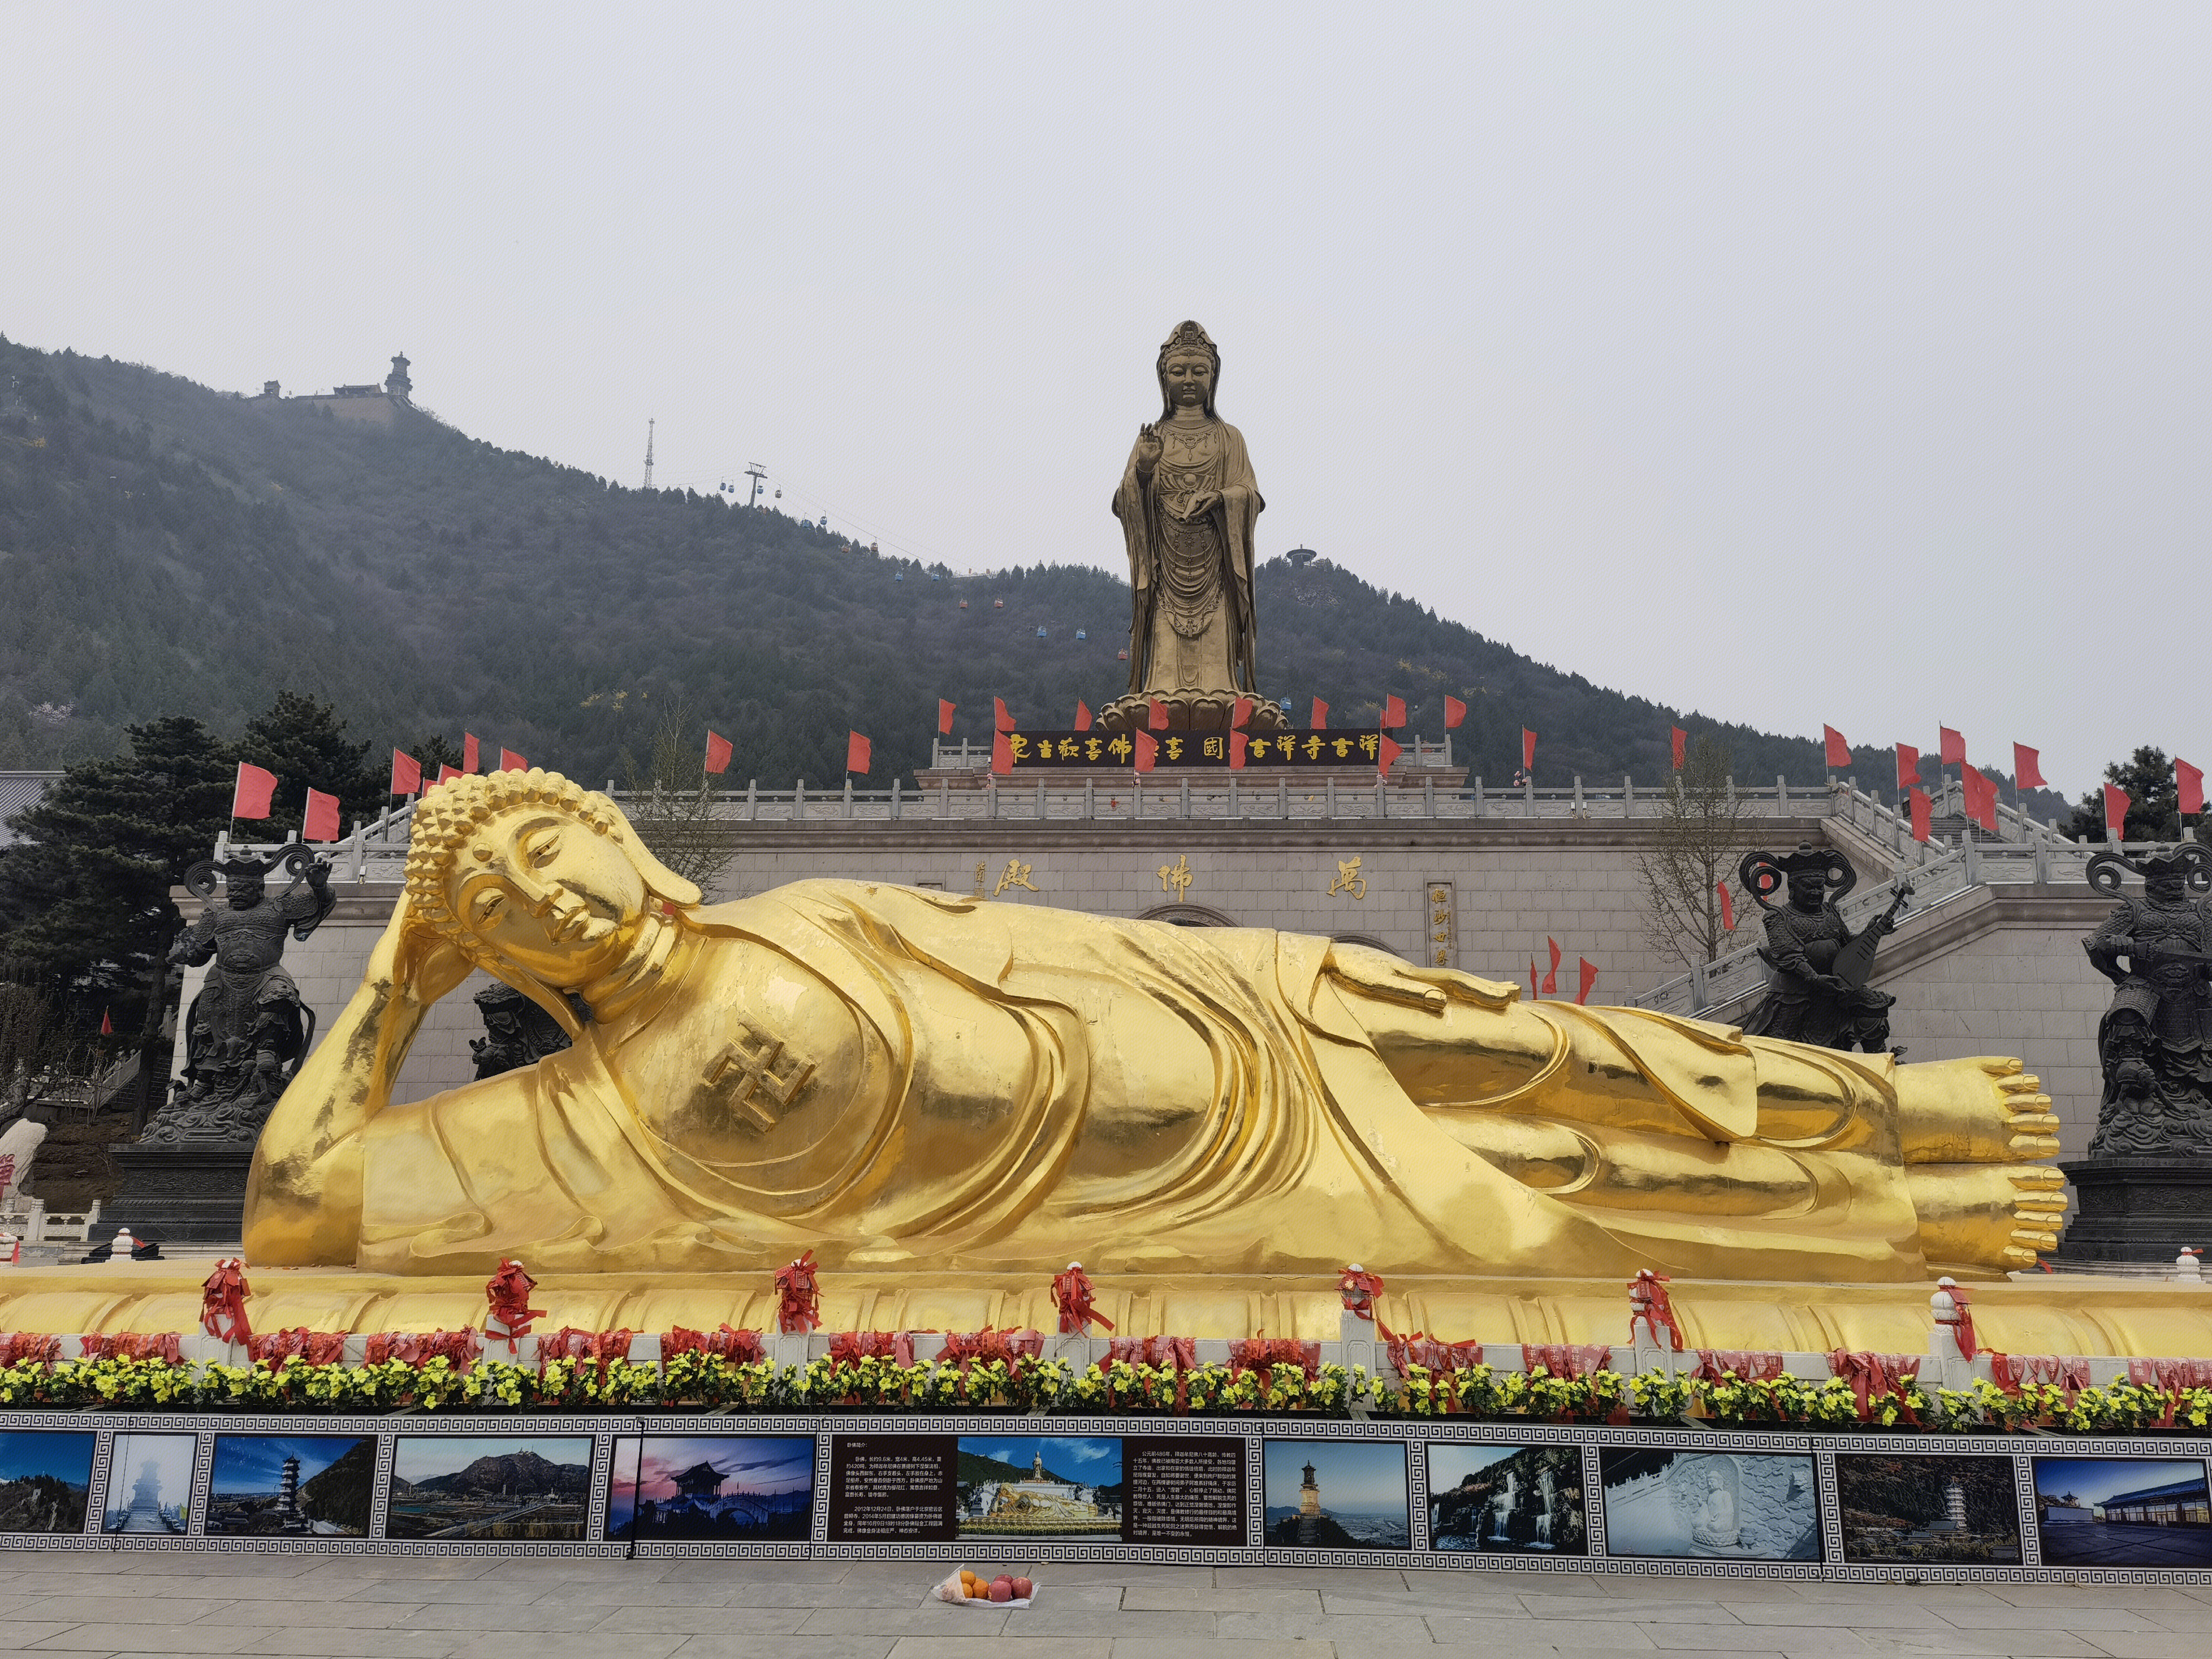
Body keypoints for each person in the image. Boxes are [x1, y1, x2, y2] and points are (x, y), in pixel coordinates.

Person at [243, 770, 2064, 1279]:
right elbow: (297, 1212)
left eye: (552, 849)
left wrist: (1215, 964)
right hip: (1177, 1196)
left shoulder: (802, 909)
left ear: (622, 844)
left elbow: (1020, 934)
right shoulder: (588, 1115)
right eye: (495, 907)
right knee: (1578, 1192)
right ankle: (1912, 1208)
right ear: (494, 954)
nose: (542, 896)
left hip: (1230, 1010)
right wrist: (396, 981)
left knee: (1565, 1048)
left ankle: (1894, 1108)